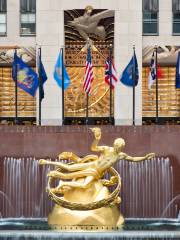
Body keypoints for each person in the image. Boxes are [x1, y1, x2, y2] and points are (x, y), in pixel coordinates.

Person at [39, 128, 155, 193]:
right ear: (114, 144)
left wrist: (145, 157)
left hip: (96, 172)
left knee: (83, 185)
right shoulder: (106, 149)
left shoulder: (120, 155)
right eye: (115, 145)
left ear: (121, 147)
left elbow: (133, 159)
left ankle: (63, 183)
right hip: (92, 165)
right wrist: (96, 139)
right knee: (69, 168)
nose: (116, 148)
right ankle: (48, 162)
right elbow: (93, 148)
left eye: (118, 147)